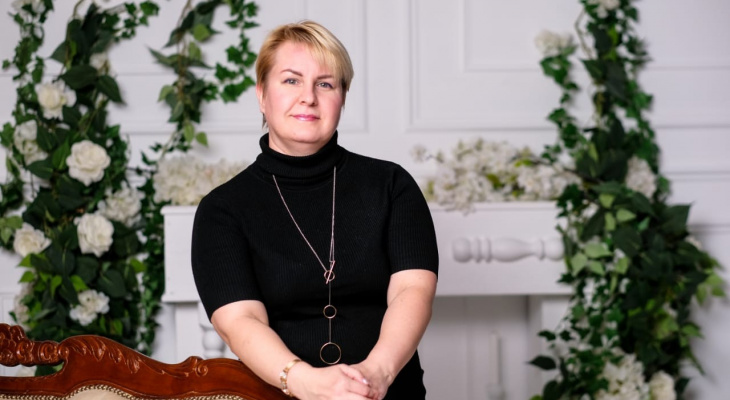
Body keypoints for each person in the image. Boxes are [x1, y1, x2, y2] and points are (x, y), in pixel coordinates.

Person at [191, 20, 439, 400]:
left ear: (342, 97)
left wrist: (376, 375)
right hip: (279, 394)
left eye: (325, 84)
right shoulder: (222, 210)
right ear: (262, 94)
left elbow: (413, 290)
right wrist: (306, 383)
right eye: (291, 80)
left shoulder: (391, 186)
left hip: (388, 391)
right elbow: (240, 320)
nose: (308, 97)